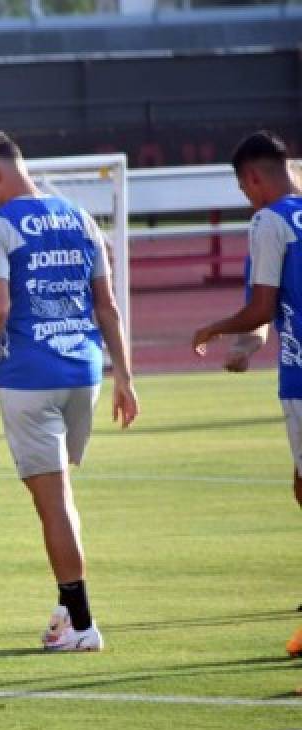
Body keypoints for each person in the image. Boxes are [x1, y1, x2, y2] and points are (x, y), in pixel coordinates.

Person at [0, 130, 138, 652]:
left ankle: (83, 625)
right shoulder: (80, 216)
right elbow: (106, 305)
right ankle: (67, 612)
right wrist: (125, 376)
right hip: (84, 372)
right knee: (59, 495)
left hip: (30, 377)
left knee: (53, 504)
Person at [190, 130, 302, 659]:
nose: (246, 198)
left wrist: (211, 331)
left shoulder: (268, 221)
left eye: (243, 188)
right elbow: (271, 312)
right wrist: (248, 347)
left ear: (253, 178)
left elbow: (261, 307)